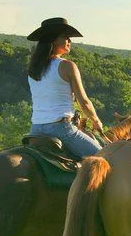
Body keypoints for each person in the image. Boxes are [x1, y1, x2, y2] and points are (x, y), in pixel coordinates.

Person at [26, 17, 104, 159]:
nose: (70, 41)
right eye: (66, 37)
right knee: (105, 159)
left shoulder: (33, 70)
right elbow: (84, 102)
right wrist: (96, 121)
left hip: (36, 129)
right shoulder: (67, 66)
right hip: (61, 129)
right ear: (54, 40)